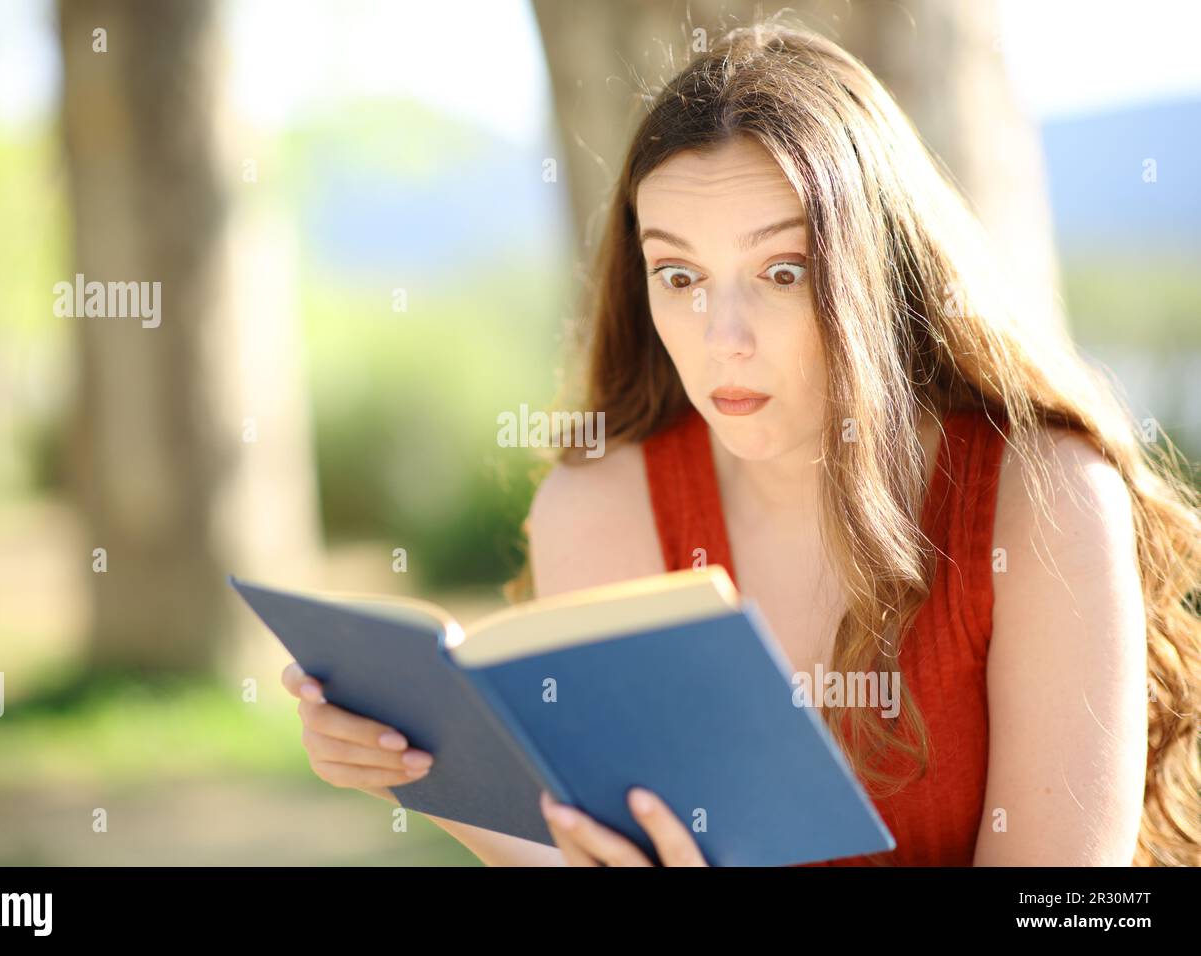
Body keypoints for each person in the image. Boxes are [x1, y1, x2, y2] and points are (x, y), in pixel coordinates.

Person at [281, 20, 1201, 867]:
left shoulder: (1043, 495)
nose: (723, 336)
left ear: (879, 272)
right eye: (678, 274)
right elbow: (600, 849)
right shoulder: (599, 507)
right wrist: (431, 765)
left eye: (782, 270)